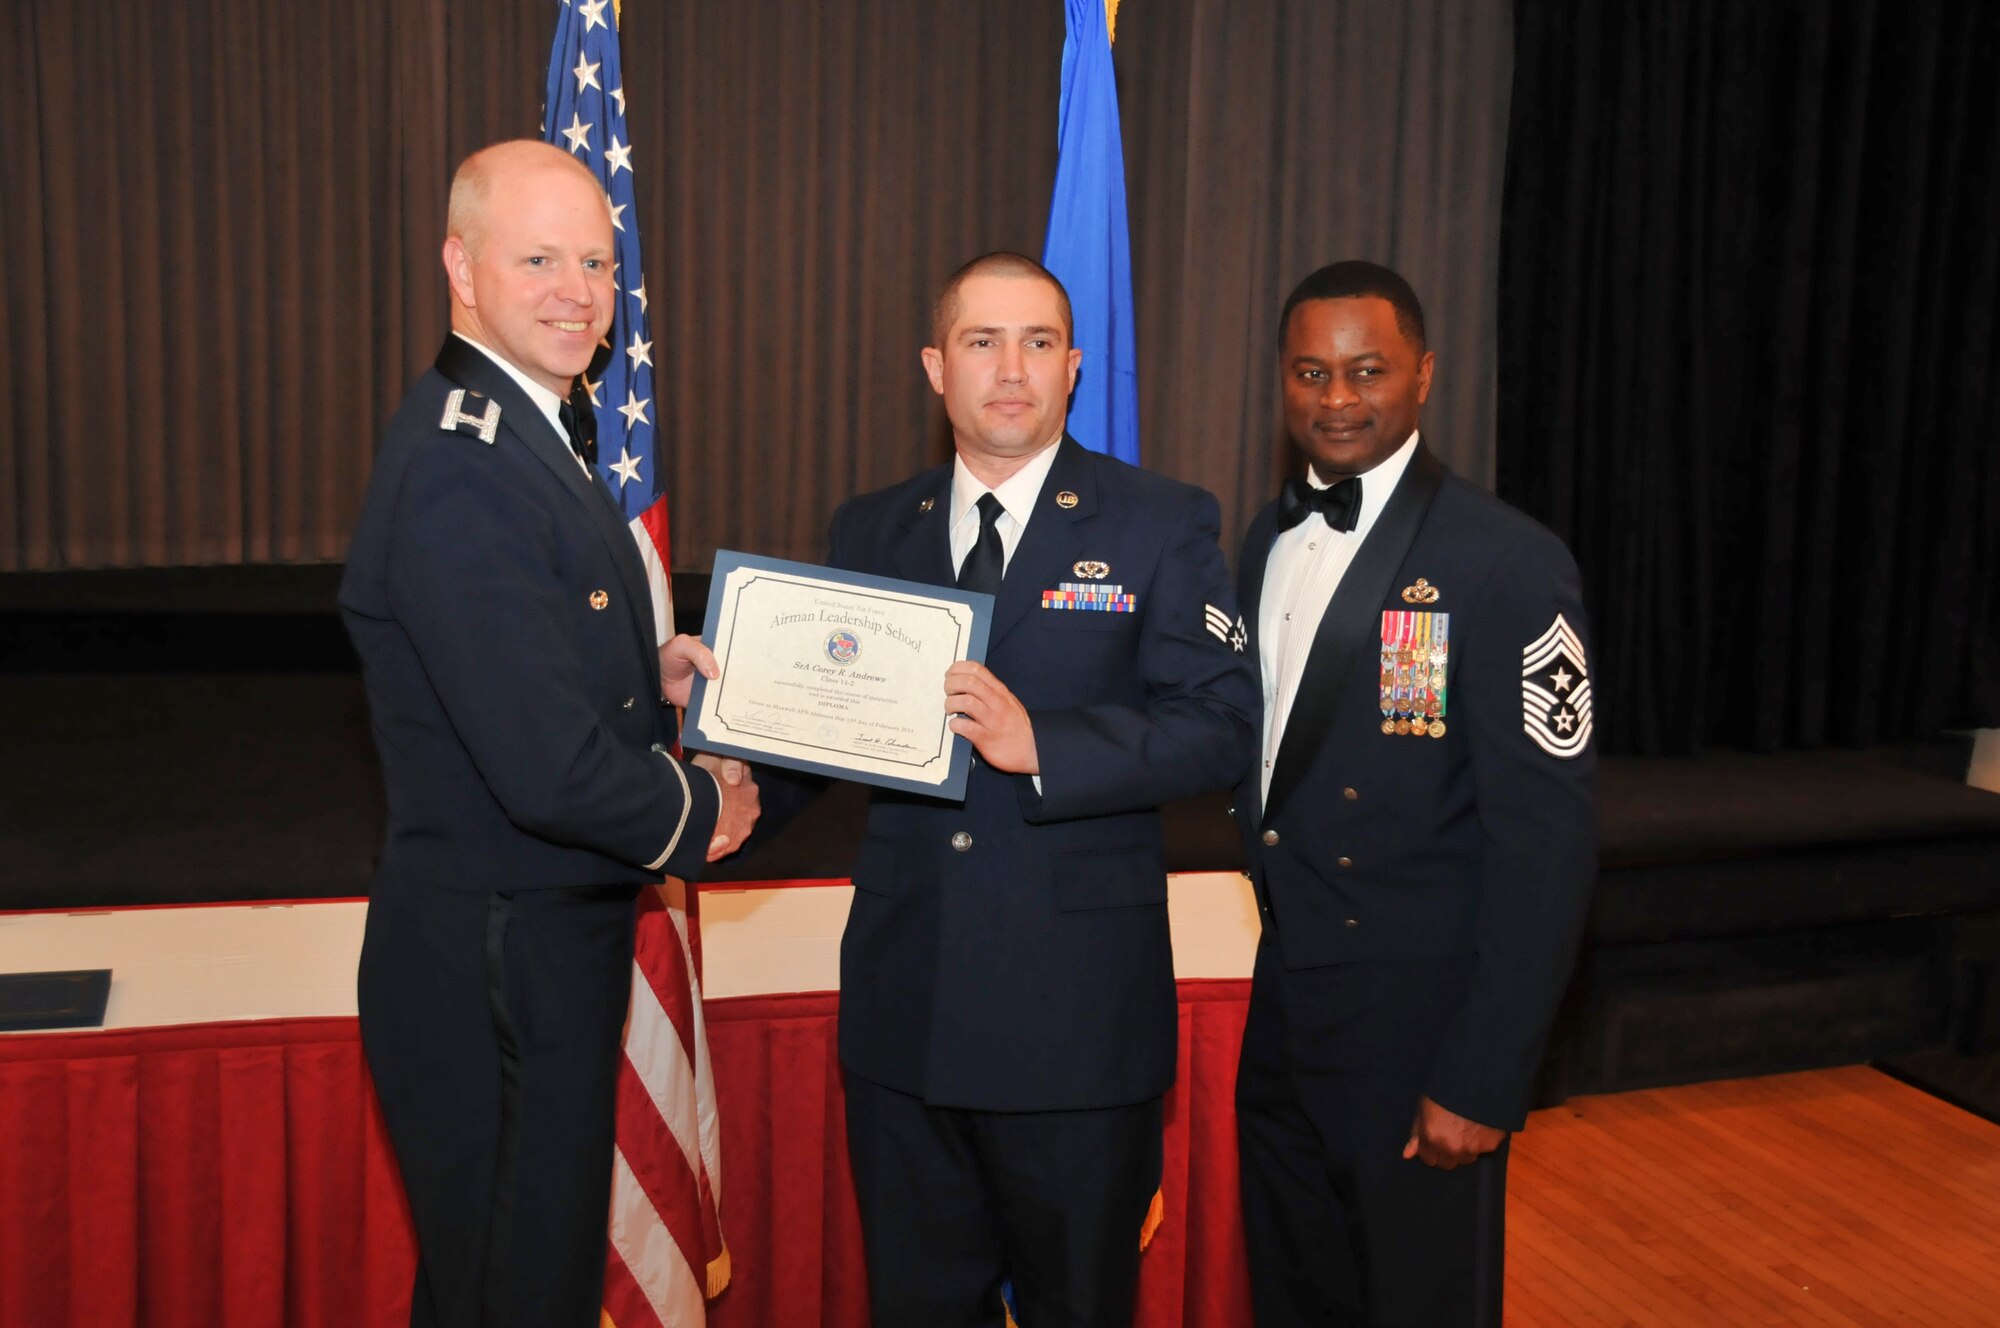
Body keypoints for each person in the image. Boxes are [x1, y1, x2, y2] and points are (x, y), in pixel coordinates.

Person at [788, 252, 1258, 1327]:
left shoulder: (1159, 520)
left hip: (1076, 1025)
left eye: (1037, 342)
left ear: (1074, 366)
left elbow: (1221, 727)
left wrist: (1040, 740)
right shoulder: (871, 527)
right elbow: (823, 727)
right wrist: (725, 762)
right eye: (980, 342)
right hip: (905, 1017)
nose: (1010, 369)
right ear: (933, 367)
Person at [338, 139, 759, 1328]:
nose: (579, 291)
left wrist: (646, 663)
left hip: (525, 943)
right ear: (459, 267)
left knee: (528, 1275)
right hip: (496, 960)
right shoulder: (466, 463)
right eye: (539, 259)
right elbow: (540, 765)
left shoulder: (526, 430)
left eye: (597, 262)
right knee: (513, 1289)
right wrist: (698, 812)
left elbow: (517, 658)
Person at [1232, 261, 1597, 1326]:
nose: (1335, 398)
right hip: (1288, 1002)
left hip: (1418, 1024)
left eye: (1365, 370)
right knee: (1297, 1288)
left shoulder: (1508, 562)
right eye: (1309, 371)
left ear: (1423, 375)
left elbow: (1548, 843)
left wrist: (1484, 1073)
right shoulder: (1265, 537)